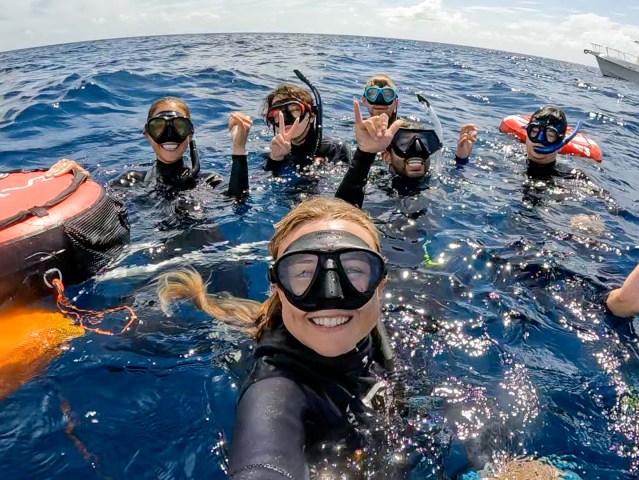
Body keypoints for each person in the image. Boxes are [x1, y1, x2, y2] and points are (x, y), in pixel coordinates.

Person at [156, 196, 395, 479]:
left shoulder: (375, 329)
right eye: (304, 272)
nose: (332, 296)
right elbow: (262, 462)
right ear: (278, 287)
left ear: (380, 284)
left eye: (354, 269)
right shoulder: (275, 392)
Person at [47, 96, 249, 198]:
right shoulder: (131, 181)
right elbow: (101, 204)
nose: (169, 136)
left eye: (179, 127)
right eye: (159, 127)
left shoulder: (208, 181)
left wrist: (239, 148)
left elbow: (238, 199)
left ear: (190, 135)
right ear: (148, 135)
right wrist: (80, 182)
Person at [336, 96, 475, 208]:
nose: (416, 150)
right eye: (404, 144)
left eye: (424, 143)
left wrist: (461, 160)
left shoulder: (437, 182)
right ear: (387, 157)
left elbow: (461, 188)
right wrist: (365, 153)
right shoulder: (375, 186)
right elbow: (342, 210)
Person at [248, 73, 351, 174]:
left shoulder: (335, 149)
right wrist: (275, 159)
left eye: (294, 110)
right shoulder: (272, 152)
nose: (285, 118)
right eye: (277, 113)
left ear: (312, 116)